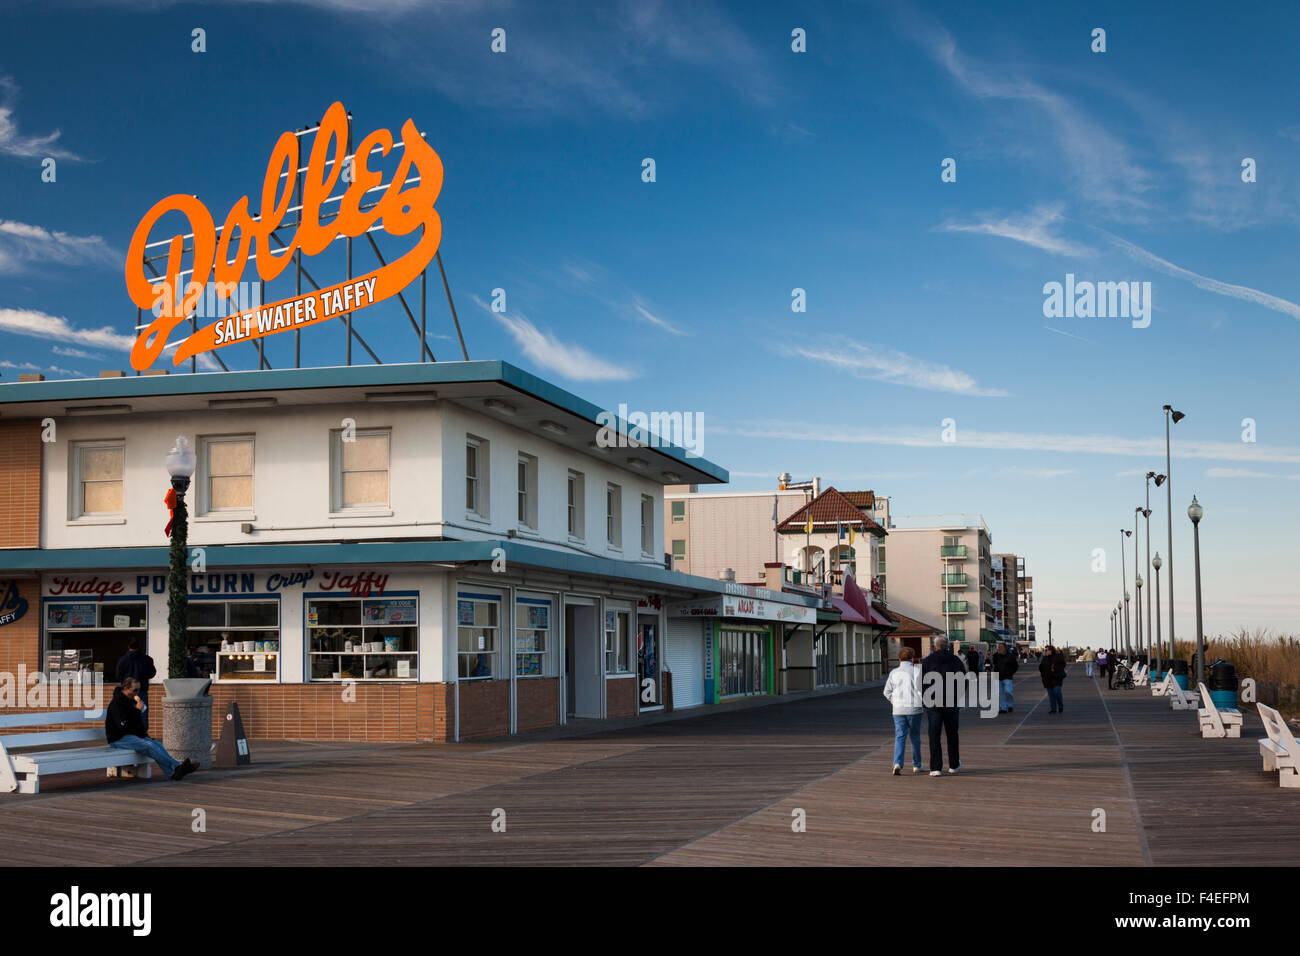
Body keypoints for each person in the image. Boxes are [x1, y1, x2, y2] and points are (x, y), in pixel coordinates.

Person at [106, 677, 197, 781]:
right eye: (135, 690)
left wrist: (144, 735)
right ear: (126, 688)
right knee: (148, 745)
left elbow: (135, 724)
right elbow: (123, 725)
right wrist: (137, 711)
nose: (137, 693)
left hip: (130, 736)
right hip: (118, 739)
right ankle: (176, 767)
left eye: (139, 690)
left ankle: (173, 773)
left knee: (156, 744)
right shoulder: (117, 703)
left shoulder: (129, 701)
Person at [921, 635, 967, 775]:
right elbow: (963, 681)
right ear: (948, 646)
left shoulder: (927, 661)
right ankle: (953, 765)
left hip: (933, 703)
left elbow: (922, 683)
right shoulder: (956, 660)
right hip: (950, 702)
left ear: (934, 646)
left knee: (934, 735)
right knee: (952, 734)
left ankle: (935, 768)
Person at [883, 647, 925, 775]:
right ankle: (916, 764)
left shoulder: (893, 673)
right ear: (912, 658)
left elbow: (886, 692)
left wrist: (894, 701)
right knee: (915, 736)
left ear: (899, 659)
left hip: (898, 710)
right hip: (914, 709)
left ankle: (897, 763)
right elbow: (922, 690)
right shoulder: (917, 671)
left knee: (900, 737)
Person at [115, 638, 158, 730]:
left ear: (128, 647)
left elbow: (118, 675)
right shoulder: (147, 659)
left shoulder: (123, 660)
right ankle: (143, 734)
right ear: (139, 647)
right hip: (142, 690)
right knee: (143, 712)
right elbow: (152, 673)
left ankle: (129, 734)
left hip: (128, 692)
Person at [991, 641, 1019, 713]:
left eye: (1001, 647)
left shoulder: (1010, 656)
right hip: (998, 677)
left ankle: (1010, 705)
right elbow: (994, 664)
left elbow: (1016, 666)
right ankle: (1003, 708)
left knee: (1008, 691)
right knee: (1001, 693)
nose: (999, 648)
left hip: (1007, 676)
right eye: (998, 647)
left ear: (1005, 648)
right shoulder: (996, 656)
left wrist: (1011, 673)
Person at [1039, 645, 1067, 713]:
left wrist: (1055, 669)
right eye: (1044, 650)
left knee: (1057, 692)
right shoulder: (1044, 658)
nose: (1045, 651)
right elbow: (1041, 668)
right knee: (1051, 695)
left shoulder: (1057, 657)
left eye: (1046, 650)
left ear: (1051, 651)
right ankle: (1053, 709)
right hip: (1047, 679)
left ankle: (1060, 705)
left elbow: (1063, 664)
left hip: (1056, 678)